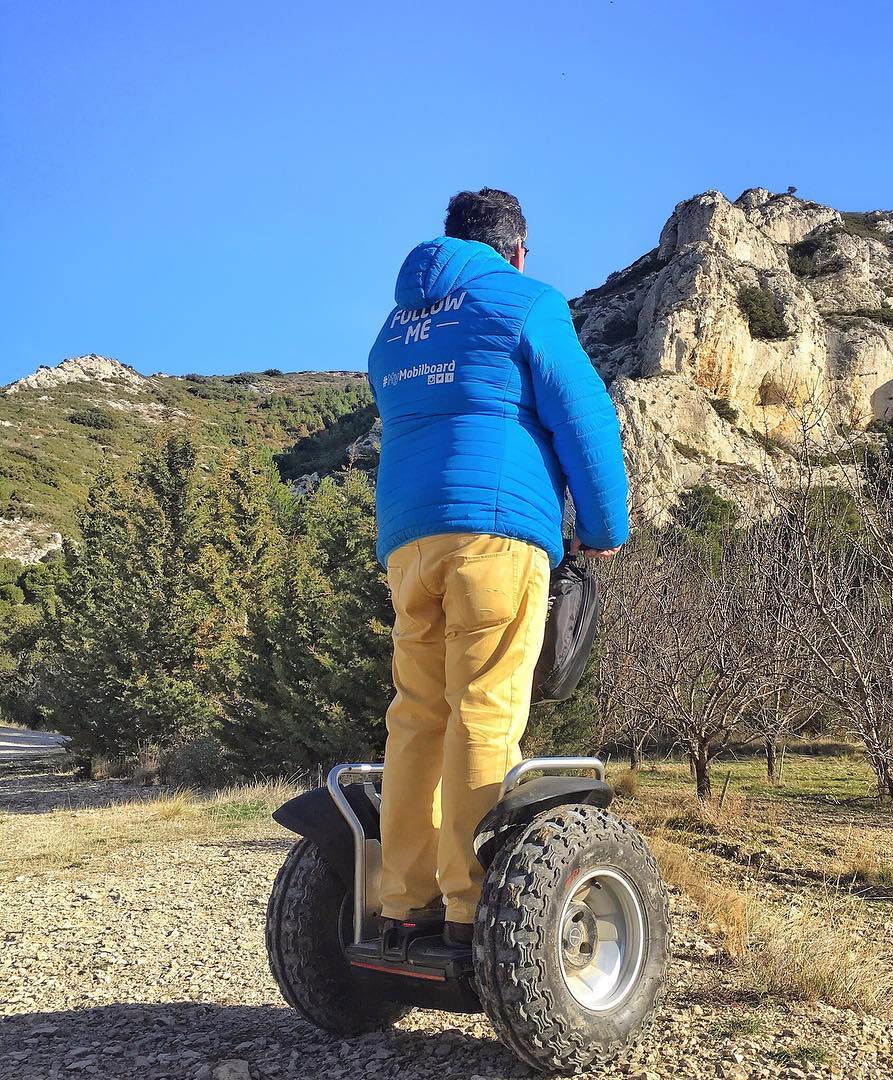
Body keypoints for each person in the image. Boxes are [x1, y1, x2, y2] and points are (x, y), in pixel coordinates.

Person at [366, 188, 629, 947]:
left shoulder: (396, 326)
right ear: (515, 248)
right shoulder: (527, 300)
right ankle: (467, 908)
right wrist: (604, 528)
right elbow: (584, 414)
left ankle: (402, 900)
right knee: (484, 710)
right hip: (496, 533)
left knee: (418, 715)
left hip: (410, 541)